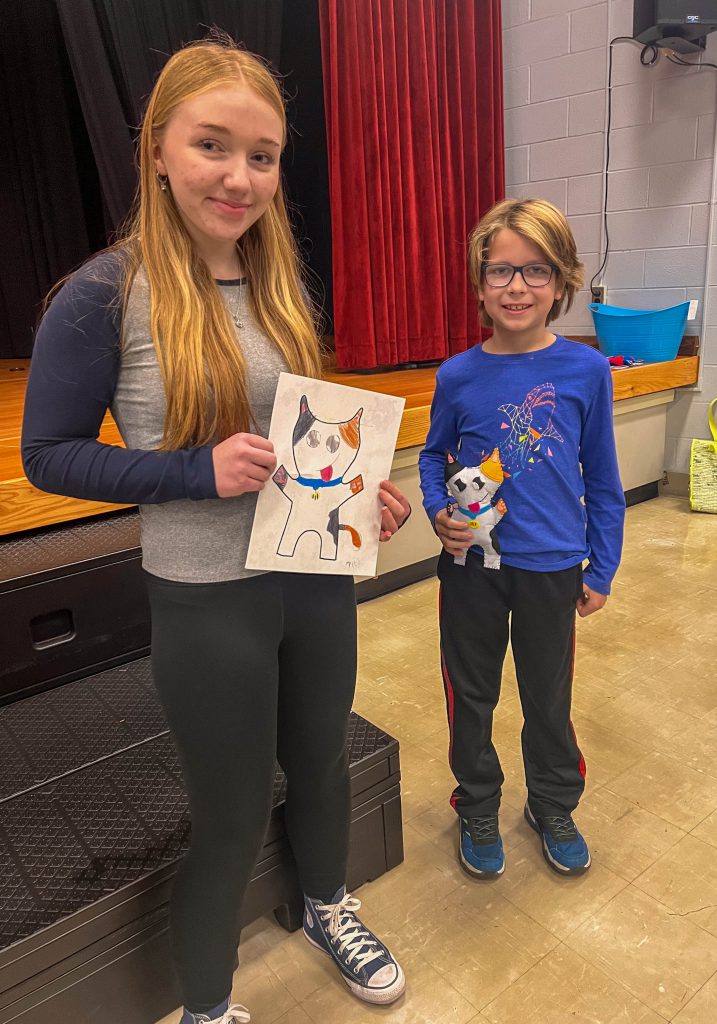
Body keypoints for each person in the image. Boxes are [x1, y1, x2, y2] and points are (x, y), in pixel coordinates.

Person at [22, 37, 409, 1024]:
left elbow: (305, 438)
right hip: (208, 601)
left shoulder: (279, 285)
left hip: (313, 580)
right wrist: (193, 471)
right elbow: (49, 454)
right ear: (158, 149)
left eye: (264, 155)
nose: (241, 177)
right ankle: (208, 1005)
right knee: (232, 816)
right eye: (213, 145)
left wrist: (360, 493)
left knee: (320, 761)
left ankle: (327, 902)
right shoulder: (102, 296)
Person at [418, 198, 624, 881]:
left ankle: (552, 802)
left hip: (555, 565)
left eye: (535, 270)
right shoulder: (457, 376)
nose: (516, 286)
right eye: (501, 271)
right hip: (472, 568)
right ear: (479, 284)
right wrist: (436, 513)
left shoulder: (587, 371)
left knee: (548, 695)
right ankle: (477, 802)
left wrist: (603, 567)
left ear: (562, 283)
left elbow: (602, 476)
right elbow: (432, 457)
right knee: (470, 696)